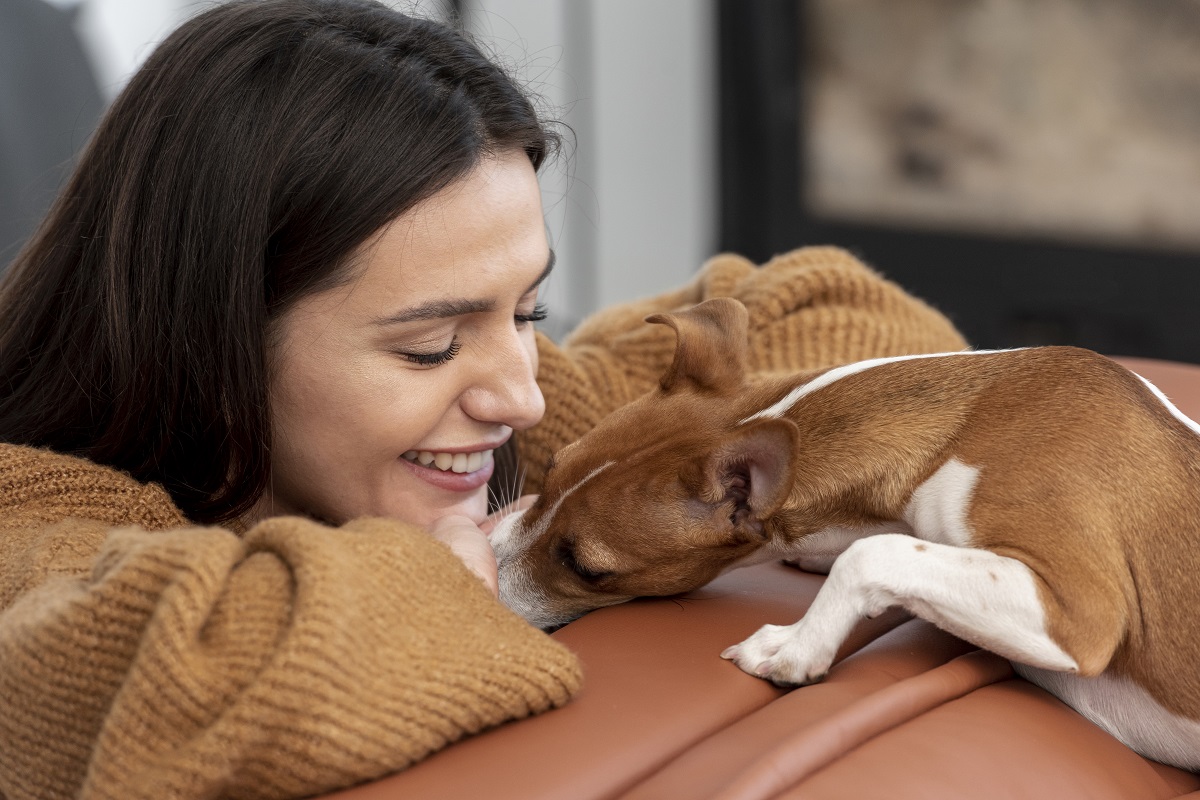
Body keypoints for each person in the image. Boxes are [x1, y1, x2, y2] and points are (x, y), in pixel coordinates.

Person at [0, 1, 967, 798]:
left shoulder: (499, 446)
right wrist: (444, 575)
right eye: (430, 345)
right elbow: (207, 666)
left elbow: (845, 308)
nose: (522, 397)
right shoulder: (29, 522)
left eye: (529, 309)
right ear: (209, 334)